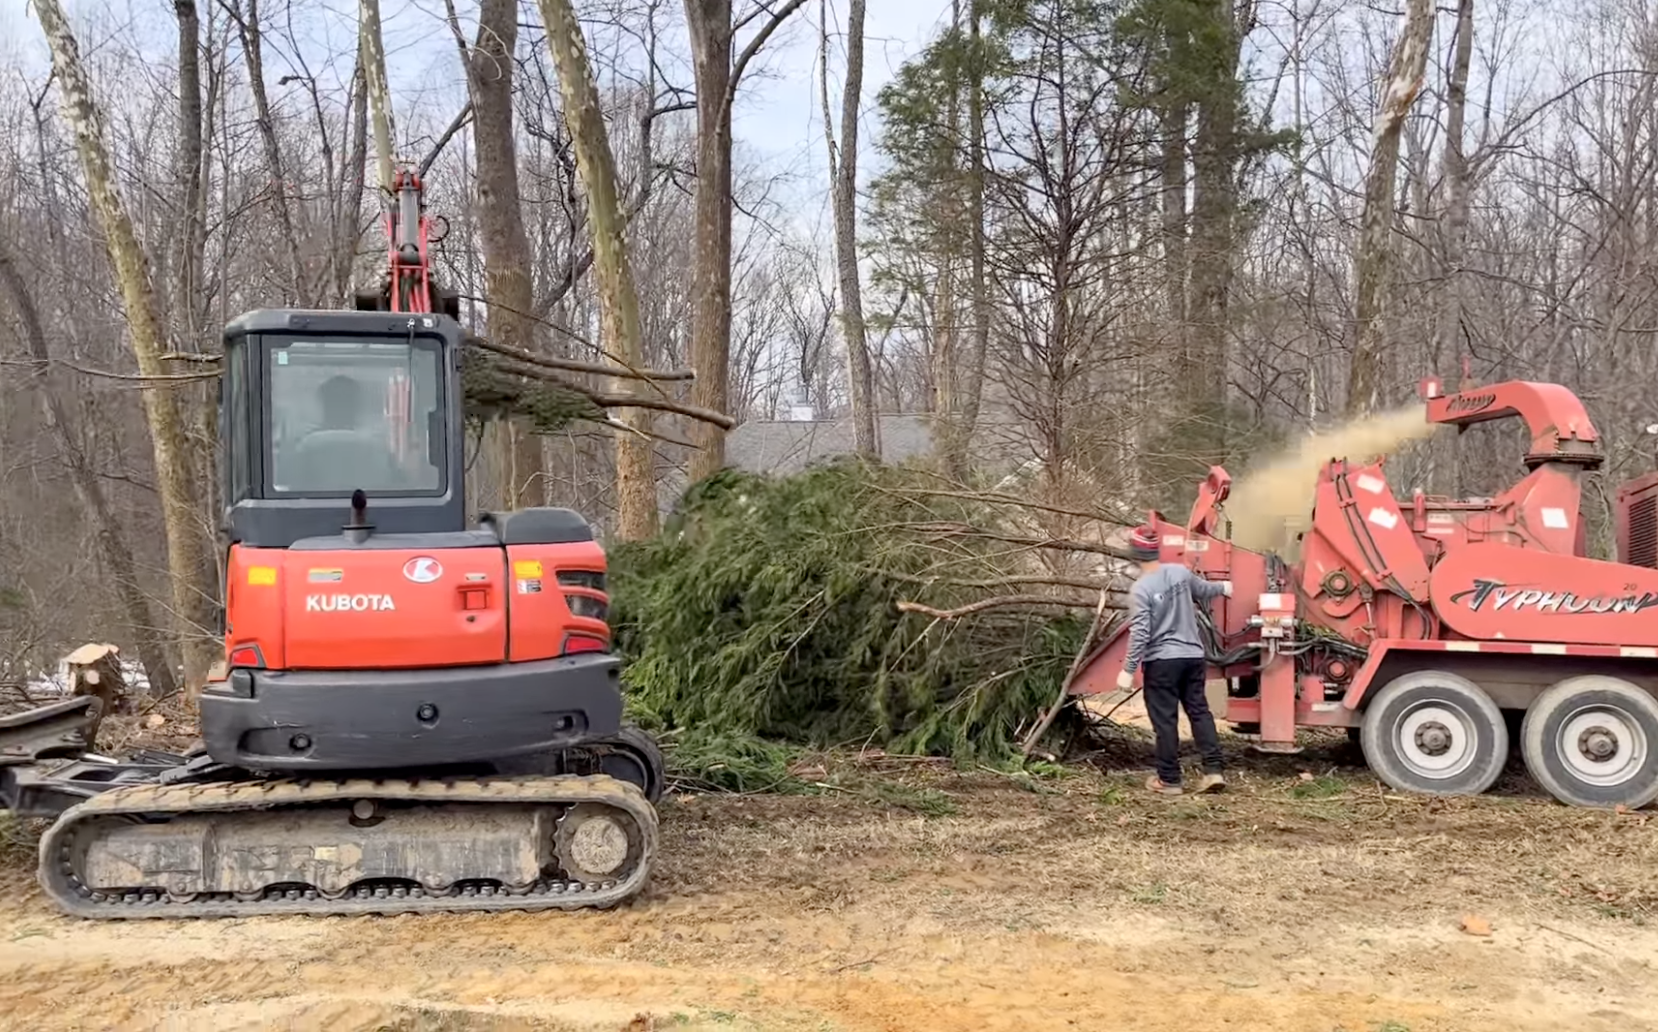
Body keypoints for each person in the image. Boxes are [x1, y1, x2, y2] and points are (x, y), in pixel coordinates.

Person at [1116, 524, 1232, 796]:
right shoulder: (1180, 573)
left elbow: (1141, 632)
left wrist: (1128, 669)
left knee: (1165, 720)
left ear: (1134, 555)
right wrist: (1224, 587)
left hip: (1162, 663)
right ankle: (1213, 771)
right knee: (1199, 712)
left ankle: (1169, 780)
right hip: (1193, 657)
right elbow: (1203, 590)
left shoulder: (1140, 590)